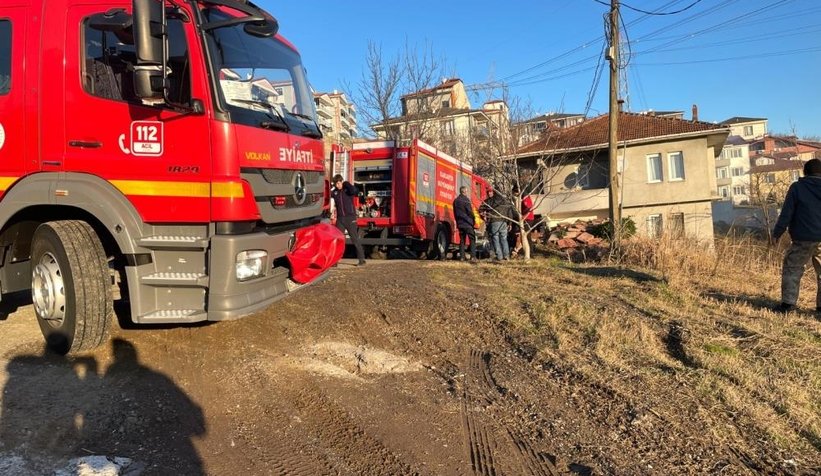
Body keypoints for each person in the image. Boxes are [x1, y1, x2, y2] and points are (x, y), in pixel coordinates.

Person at [771, 158, 821, 315]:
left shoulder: (797, 188)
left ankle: (788, 304)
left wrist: (777, 232)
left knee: (792, 269)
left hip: (803, 239)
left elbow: (786, 213)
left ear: (805, 173)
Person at [331, 174, 366, 266]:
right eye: (336, 184)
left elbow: (355, 191)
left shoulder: (348, 190)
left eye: (338, 183)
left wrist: (346, 184)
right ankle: (335, 261)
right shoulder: (335, 192)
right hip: (340, 219)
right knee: (338, 240)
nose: (337, 185)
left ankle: (362, 260)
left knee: (354, 239)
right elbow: (328, 194)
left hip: (350, 218)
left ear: (341, 181)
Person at [480, 186, 513, 261]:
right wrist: (510, 223)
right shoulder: (505, 201)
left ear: (494, 192)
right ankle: (506, 256)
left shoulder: (490, 201)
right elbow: (509, 212)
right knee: (504, 239)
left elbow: (481, 209)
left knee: (496, 239)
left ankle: (499, 256)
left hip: (494, 221)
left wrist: (484, 217)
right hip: (504, 221)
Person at [453, 186, 477, 261]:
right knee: (472, 239)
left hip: (460, 223)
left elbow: (455, 213)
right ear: (464, 192)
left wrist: (457, 222)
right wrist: (473, 219)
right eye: (466, 191)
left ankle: (462, 257)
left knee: (462, 240)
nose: (467, 193)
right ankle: (473, 256)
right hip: (467, 223)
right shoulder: (466, 200)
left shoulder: (455, 201)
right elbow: (470, 212)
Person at [510, 186, 535, 258]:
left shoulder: (525, 197)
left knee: (526, 236)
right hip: (524, 218)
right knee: (523, 236)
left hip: (528, 219)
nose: (514, 195)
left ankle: (530, 254)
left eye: (515, 193)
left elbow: (529, 209)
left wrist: (523, 218)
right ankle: (525, 252)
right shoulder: (521, 197)